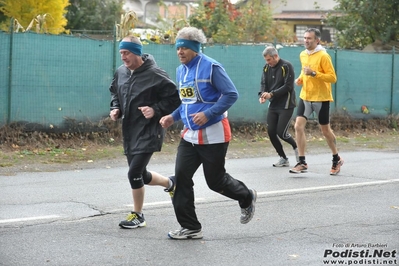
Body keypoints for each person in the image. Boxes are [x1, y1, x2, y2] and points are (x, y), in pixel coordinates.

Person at [160, 26, 257, 240]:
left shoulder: (212, 67)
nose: (180, 52)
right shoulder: (180, 70)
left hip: (214, 133)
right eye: (178, 48)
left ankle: (246, 196)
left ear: (195, 48)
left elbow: (231, 94)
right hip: (189, 135)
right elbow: (186, 103)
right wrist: (172, 117)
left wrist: (208, 113)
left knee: (215, 182)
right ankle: (190, 226)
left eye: (184, 48)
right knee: (181, 179)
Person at [109, 35, 181, 229]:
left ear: (137, 53)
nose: (123, 57)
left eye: (127, 53)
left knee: (133, 172)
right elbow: (115, 92)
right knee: (141, 174)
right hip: (130, 130)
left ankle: (138, 215)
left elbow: (176, 100)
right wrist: (116, 108)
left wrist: (155, 110)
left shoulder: (156, 74)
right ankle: (170, 183)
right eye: (121, 53)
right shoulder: (121, 72)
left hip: (150, 130)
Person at [289, 28, 343, 175]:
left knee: (325, 131)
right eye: (305, 38)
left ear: (317, 40)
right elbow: (304, 70)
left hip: (321, 98)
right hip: (305, 96)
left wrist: (314, 73)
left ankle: (336, 158)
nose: (306, 41)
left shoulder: (323, 56)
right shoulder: (302, 54)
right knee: (298, 127)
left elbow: (332, 78)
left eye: (309, 38)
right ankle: (302, 162)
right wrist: (301, 78)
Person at [258, 46, 298, 167]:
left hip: (286, 104)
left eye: (269, 59)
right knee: (271, 132)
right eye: (266, 60)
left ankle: (297, 148)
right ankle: (283, 158)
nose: (267, 62)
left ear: (275, 56)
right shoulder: (266, 68)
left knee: (282, 133)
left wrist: (272, 94)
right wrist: (262, 95)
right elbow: (263, 84)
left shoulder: (286, 66)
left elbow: (288, 86)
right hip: (273, 104)